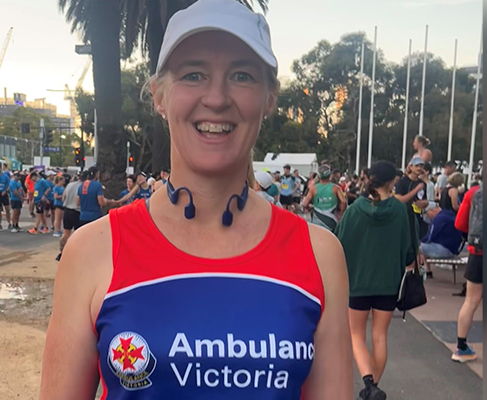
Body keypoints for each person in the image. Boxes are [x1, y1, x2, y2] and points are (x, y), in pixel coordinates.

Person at [40, 2, 352, 398]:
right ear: (158, 95)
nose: (217, 98)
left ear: (269, 97)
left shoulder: (319, 254)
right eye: (193, 74)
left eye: (242, 75)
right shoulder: (92, 250)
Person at [335, 161, 413, 400]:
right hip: (388, 282)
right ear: (392, 181)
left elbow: (339, 242)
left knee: (356, 334)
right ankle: (373, 386)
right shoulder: (400, 210)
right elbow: (409, 250)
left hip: (357, 281)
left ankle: (369, 384)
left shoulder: (356, 209)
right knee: (380, 335)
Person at [452, 175, 483, 363]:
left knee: (471, 301)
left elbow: (459, 224)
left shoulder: (473, 193)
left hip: (478, 252)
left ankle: (461, 348)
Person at [302, 164, 347, 232]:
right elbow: (343, 202)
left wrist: (312, 208)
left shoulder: (313, 189)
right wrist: (340, 213)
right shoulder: (336, 188)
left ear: (319, 176)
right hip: (332, 220)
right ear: (330, 175)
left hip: (317, 221)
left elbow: (305, 204)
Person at [55, 173, 82, 261]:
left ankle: (61, 252)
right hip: (77, 210)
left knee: (65, 233)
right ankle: (75, 252)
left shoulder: (69, 185)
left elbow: (63, 197)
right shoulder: (82, 186)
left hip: (67, 210)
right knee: (77, 233)